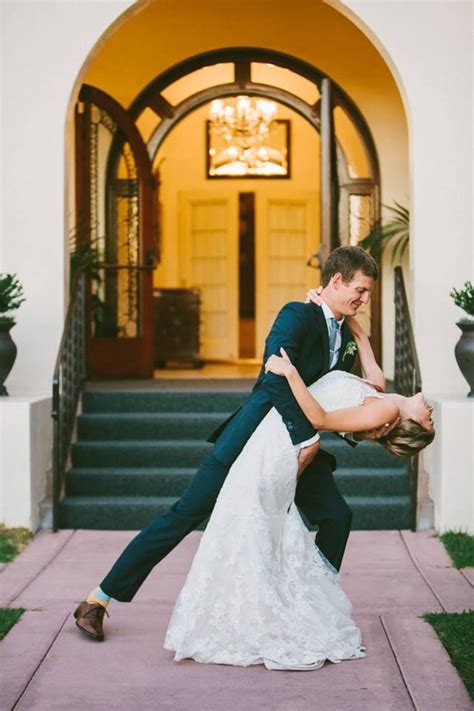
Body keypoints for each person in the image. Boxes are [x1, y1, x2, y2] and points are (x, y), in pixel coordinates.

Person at [73, 245, 396, 642]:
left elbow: (336, 392)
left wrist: (349, 412)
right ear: (335, 281)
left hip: (295, 451)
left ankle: (312, 604)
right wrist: (307, 436)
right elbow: (274, 376)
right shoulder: (297, 315)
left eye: (367, 293)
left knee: (336, 516)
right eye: (360, 291)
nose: (364, 299)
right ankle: (98, 599)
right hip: (252, 441)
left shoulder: (345, 332)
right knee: (185, 514)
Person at [163, 347, 434, 670]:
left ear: (411, 423)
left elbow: (320, 419)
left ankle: (288, 612)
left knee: (262, 531)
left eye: (429, 420)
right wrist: (358, 330)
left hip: (281, 445)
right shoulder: (384, 400)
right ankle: (267, 610)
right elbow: (374, 374)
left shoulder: (384, 413)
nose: (431, 410)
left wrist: (290, 372)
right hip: (273, 437)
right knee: (256, 530)